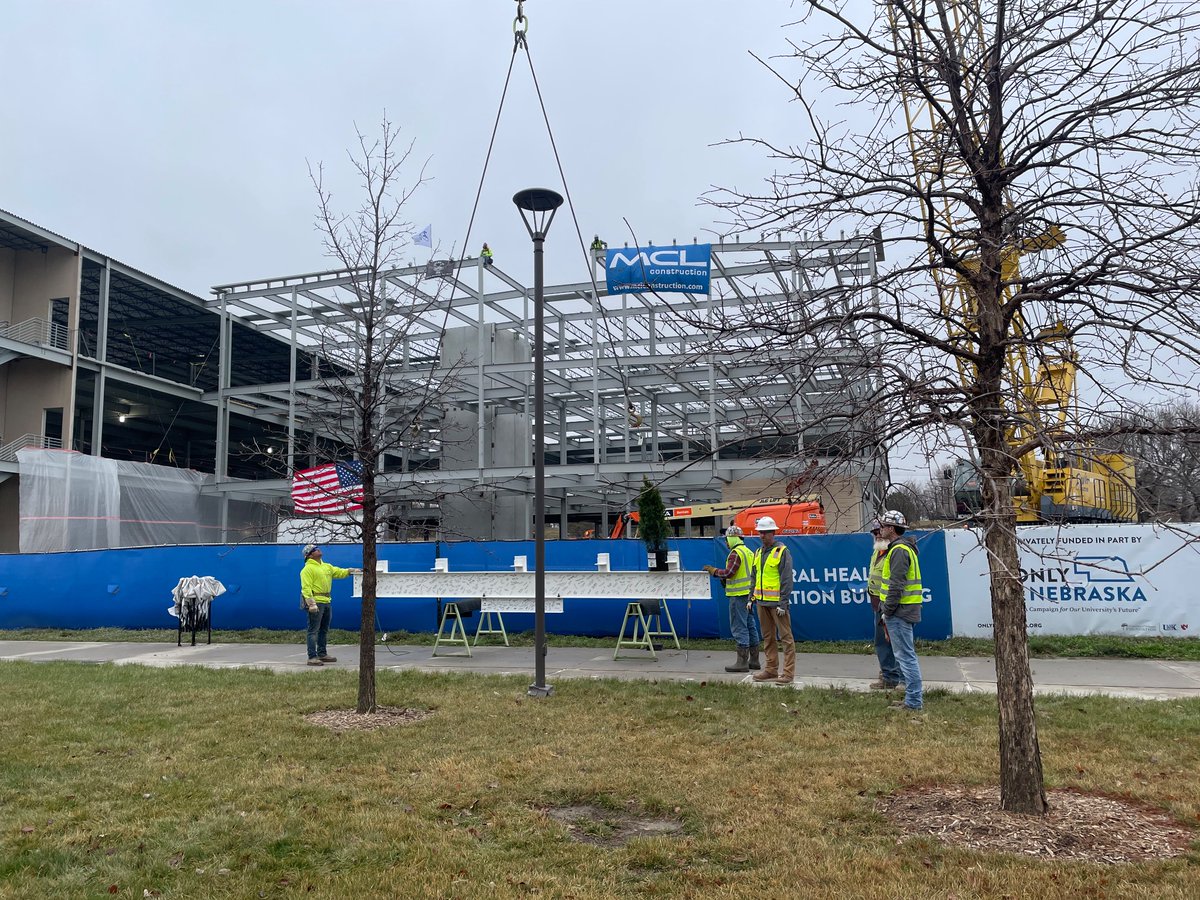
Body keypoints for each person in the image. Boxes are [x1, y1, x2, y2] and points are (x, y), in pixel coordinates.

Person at [877, 510, 924, 711]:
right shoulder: (902, 548)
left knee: (906, 657)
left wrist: (887, 610)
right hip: (903, 610)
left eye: (883, 526)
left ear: (891, 528)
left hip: (899, 612)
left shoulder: (899, 551)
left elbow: (896, 585)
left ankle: (913, 702)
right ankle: (911, 699)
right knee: (905, 656)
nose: (880, 530)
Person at [702, 525, 762, 673]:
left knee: (739, 626)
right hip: (749, 595)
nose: (726, 542)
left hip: (738, 596)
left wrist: (714, 571)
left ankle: (742, 662)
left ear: (733, 538)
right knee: (750, 625)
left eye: (727, 539)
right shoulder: (748, 552)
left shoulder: (736, 553)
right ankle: (754, 660)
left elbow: (729, 572)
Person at [749, 516, 796, 685]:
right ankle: (770, 670)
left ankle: (788, 673)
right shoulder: (758, 552)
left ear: (773, 533)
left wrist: (783, 602)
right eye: (760, 532)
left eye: (765, 532)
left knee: (786, 639)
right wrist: (751, 598)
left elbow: (786, 579)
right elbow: (754, 577)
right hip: (761, 603)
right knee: (768, 638)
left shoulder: (782, 552)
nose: (762, 535)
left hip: (777, 605)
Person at [300, 544, 361, 666]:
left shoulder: (326, 566)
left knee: (324, 629)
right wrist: (311, 604)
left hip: (327, 601)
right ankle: (312, 657)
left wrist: (350, 571)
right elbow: (306, 588)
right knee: (313, 630)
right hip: (316, 602)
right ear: (310, 555)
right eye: (314, 549)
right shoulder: (307, 569)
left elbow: (338, 572)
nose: (318, 550)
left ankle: (322, 654)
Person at [866, 518, 904, 692]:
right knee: (882, 642)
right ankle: (889, 676)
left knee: (896, 643)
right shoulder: (877, 551)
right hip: (878, 603)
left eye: (879, 531)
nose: (877, 535)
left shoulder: (893, 552)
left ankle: (900, 679)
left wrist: (888, 606)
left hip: (891, 604)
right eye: (874, 533)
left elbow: (896, 582)